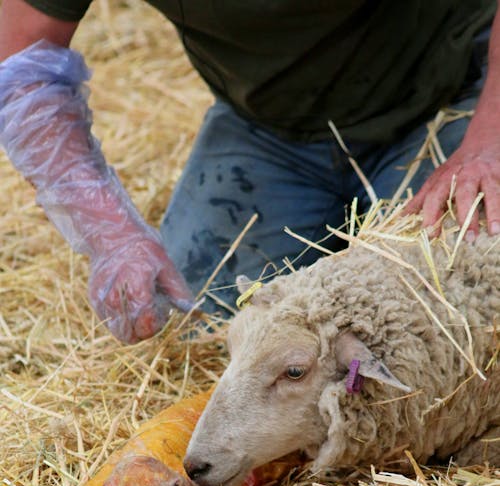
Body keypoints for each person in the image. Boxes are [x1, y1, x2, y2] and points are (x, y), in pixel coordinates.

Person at [0, 1, 498, 343]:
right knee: (196, 325)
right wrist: (111, 236)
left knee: (445, 322)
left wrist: (487, 143)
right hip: (270, 127)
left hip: (448, 96)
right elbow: (18, 58)